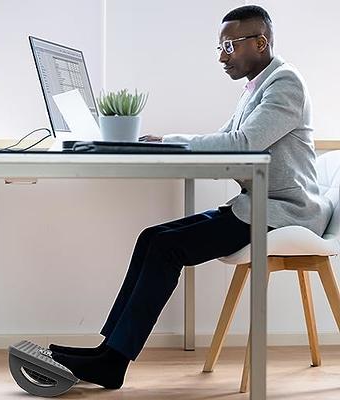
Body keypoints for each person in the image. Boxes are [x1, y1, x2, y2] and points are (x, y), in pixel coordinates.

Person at [50, 5, 333, 389]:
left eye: (229, 46)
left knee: (168, 247)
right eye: (220, 47)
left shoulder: (285, 84)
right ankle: (108, 351)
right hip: (259, 205)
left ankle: (113, 361)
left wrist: (169, 142)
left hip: (283, 213)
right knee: (153, 238)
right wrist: (164, 143)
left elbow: (243, 143)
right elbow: (227, 139)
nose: (221, 56)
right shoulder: (257, 87)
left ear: (260, 42)